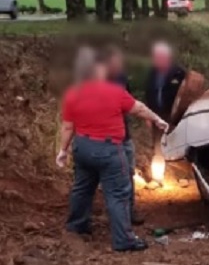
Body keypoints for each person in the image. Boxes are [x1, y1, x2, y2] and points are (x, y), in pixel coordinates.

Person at [56, 48, 169, 252]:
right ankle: (123, 240)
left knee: (82, 188)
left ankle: (77, 226)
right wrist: (157, 119)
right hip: (109, 149)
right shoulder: (114, 91)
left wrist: (62, 151)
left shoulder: (73, 93)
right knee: (118, 193)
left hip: (82, 147)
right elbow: (139, 108)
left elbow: (67, 127)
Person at [101, 45, 144, 226]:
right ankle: (112, 213)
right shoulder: (97, 81)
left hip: (124, 135)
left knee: (129, 174)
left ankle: (129, 211)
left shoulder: (121, 77)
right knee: (110, 177)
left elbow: (129, 102)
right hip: (106, 138)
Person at [144, 41, 186, 156]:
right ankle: (158, 162)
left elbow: (187, 94)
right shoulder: (153, 72)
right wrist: (147, 115)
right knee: (157, 142)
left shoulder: (178, 73)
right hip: (156, 113)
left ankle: (174, 161)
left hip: (172, 115)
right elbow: (148, 91)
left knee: (173, 140)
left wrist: (179, 115)